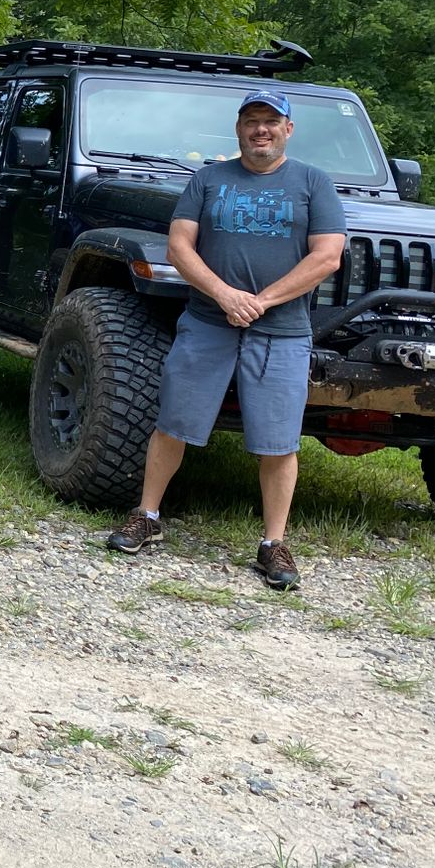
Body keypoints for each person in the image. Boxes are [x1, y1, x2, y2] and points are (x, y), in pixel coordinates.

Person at [106, 89, 346, 588]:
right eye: (252, 121)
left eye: (271, 122)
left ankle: (273, 545)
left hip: (281, 331)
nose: (261, 130)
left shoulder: (313, 183)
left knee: (278, 441)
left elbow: (326, 257)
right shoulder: (207, 179)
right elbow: (179, 245)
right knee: (173, 422)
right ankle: (146, 517)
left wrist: (262, 300)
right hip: (208, 323)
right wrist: (225, 294)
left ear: (288, 129)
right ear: (239, 130)